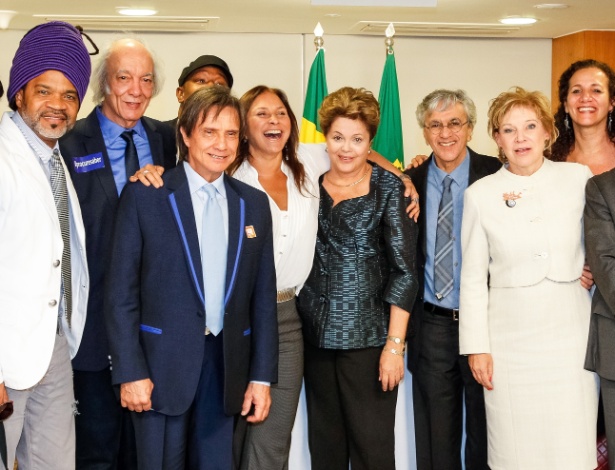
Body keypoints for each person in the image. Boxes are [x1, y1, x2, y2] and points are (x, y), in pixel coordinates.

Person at [105, 86, 279, 470]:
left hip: (227, 369)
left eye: (231, 134)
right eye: (209, 132)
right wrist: (130, 370)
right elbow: (121, 295)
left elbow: (262, 299)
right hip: (159, 369)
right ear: (185, 134)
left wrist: (262, 378)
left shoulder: (253, 204)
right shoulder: (147, 194)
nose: (221, 144)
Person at [459, 86, 599, 469]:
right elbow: (471, 278)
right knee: (514, 449)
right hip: (509, 343)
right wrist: (477, 347)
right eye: (508, 129)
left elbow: (601, 240)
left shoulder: (578, 178)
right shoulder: (480, 194)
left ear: (547, 133)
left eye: (530, 126)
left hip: (571, 333)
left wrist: (594, 269)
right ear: (497, 139)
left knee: (571, 441)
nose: (520, 138)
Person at [59, 38, 177, 469]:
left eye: (146, 80)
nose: (136, 90)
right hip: (91, 327)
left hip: (151, 327)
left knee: (145, 453)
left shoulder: (166, 138)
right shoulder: (71, 142)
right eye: (123, 78)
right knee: (96, 450)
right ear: (104, 84)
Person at [296, 86, 418, 470]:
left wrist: (394, 347)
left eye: (357, 139)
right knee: (325, 450)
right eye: (337, 138)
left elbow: (404, 273)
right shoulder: (307, 186)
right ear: (325, 140)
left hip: (370, 343)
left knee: (373, 450)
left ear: (370, 143)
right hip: (315, 338)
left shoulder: (390, 189)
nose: (346, 148)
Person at [0, 21, 91, 469]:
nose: (57, 105)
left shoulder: (55, 158)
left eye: (70, 95)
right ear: (19, 94)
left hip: (53, 344)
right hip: (5, 353)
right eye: (44, 91)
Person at [404, 89, 500, 470]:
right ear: (425, 133)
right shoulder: (407, 182)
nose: (445, 133)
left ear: (471, 129)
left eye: (455, 123)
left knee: (487, 427)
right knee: (436, 435)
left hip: (488, 324)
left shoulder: (497, 174)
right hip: (432, 326)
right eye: (435, 125)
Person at [551, 59, 615, 175]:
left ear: (611, 102)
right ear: (565, 104)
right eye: (576, 91)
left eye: (596, 90)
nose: (585, 98)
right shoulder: (549, 160)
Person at [166, 54, 234, 128]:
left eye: (219, 84)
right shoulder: (159, 136)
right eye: (201, 81)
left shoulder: (235, 138)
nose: (210, 87)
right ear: (181, 93)